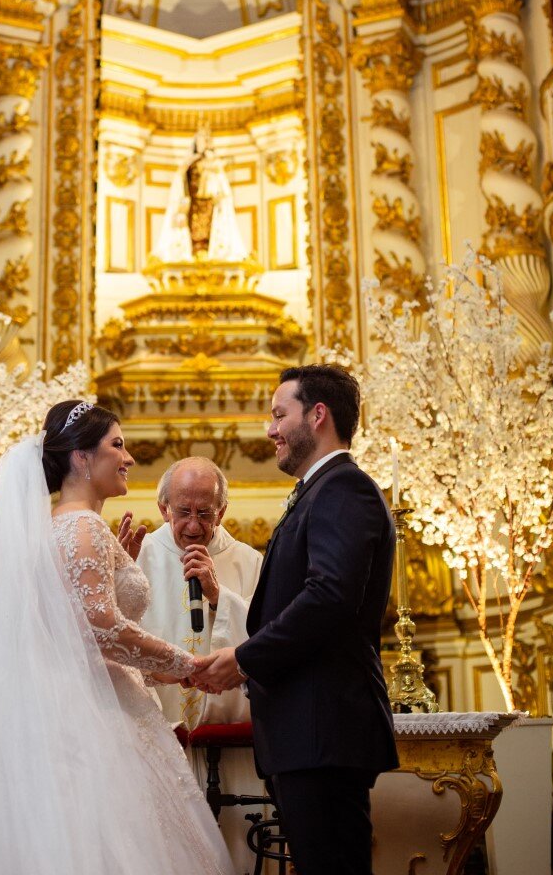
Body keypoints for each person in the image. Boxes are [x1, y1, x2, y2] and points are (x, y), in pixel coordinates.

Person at [0, 400, 235, 875]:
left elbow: (68, 624)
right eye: (117, 445)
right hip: (93, 716)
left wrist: (117, 568)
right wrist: (185, 664)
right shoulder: (82, 525)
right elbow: (101, 629)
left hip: (72, 699)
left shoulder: (55, 527)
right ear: (81, 457)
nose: (128, 458)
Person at [192, 365, 399, 875]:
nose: (270, 429)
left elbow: (328, 597)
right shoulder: (319, 491)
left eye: (279, 414)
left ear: (318, 414)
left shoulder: (342, 489)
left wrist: (243, 658)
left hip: (322, 728)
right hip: (308, 732)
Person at [120, 456, 263, 873]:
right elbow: (110, 639)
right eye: (183, 512)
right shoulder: (137, 557)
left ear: (223, 511)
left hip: (233, 747)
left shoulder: (249, 562)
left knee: (236, 849)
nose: (195, 526)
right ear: (164, 507)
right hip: (157, 742)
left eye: (205, 513)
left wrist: (220, 597)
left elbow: (270, 643)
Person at [153, 125, 248, 262]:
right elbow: (182, 182)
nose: (203, 143)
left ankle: (207, 251)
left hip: (209, 203)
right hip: (193, 204)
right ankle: (195, 251)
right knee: (192, 232)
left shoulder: (213, 162)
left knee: (212, 231)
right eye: (200, 140)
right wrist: (182, 205)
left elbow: (222, 186)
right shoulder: (189, 164)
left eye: (205, 140)